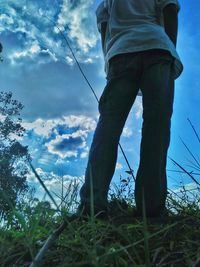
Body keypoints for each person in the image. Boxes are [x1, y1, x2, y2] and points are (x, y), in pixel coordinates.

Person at [78, 0, 183, 219]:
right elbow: (170, 10)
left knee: (108, 126)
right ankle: (151, 209)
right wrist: (170, 47)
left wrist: (110, 58)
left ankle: (92, 204)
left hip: (121, 53)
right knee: (157, 127)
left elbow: (104, 32)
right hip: (157, 48)